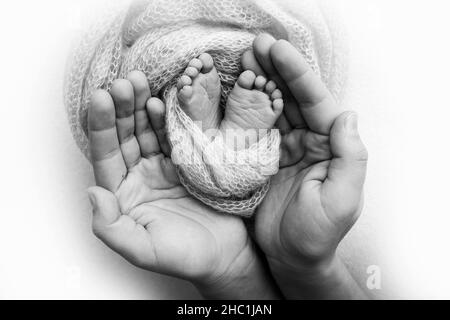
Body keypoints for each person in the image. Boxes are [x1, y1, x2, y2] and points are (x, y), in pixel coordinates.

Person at [86, 33, 369, 299]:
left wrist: (234, 276)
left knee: (195, 161)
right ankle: (225, 143)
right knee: (210, 164)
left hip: (213, 197)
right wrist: (305, 267)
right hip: (266, 210)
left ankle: (214, 141)